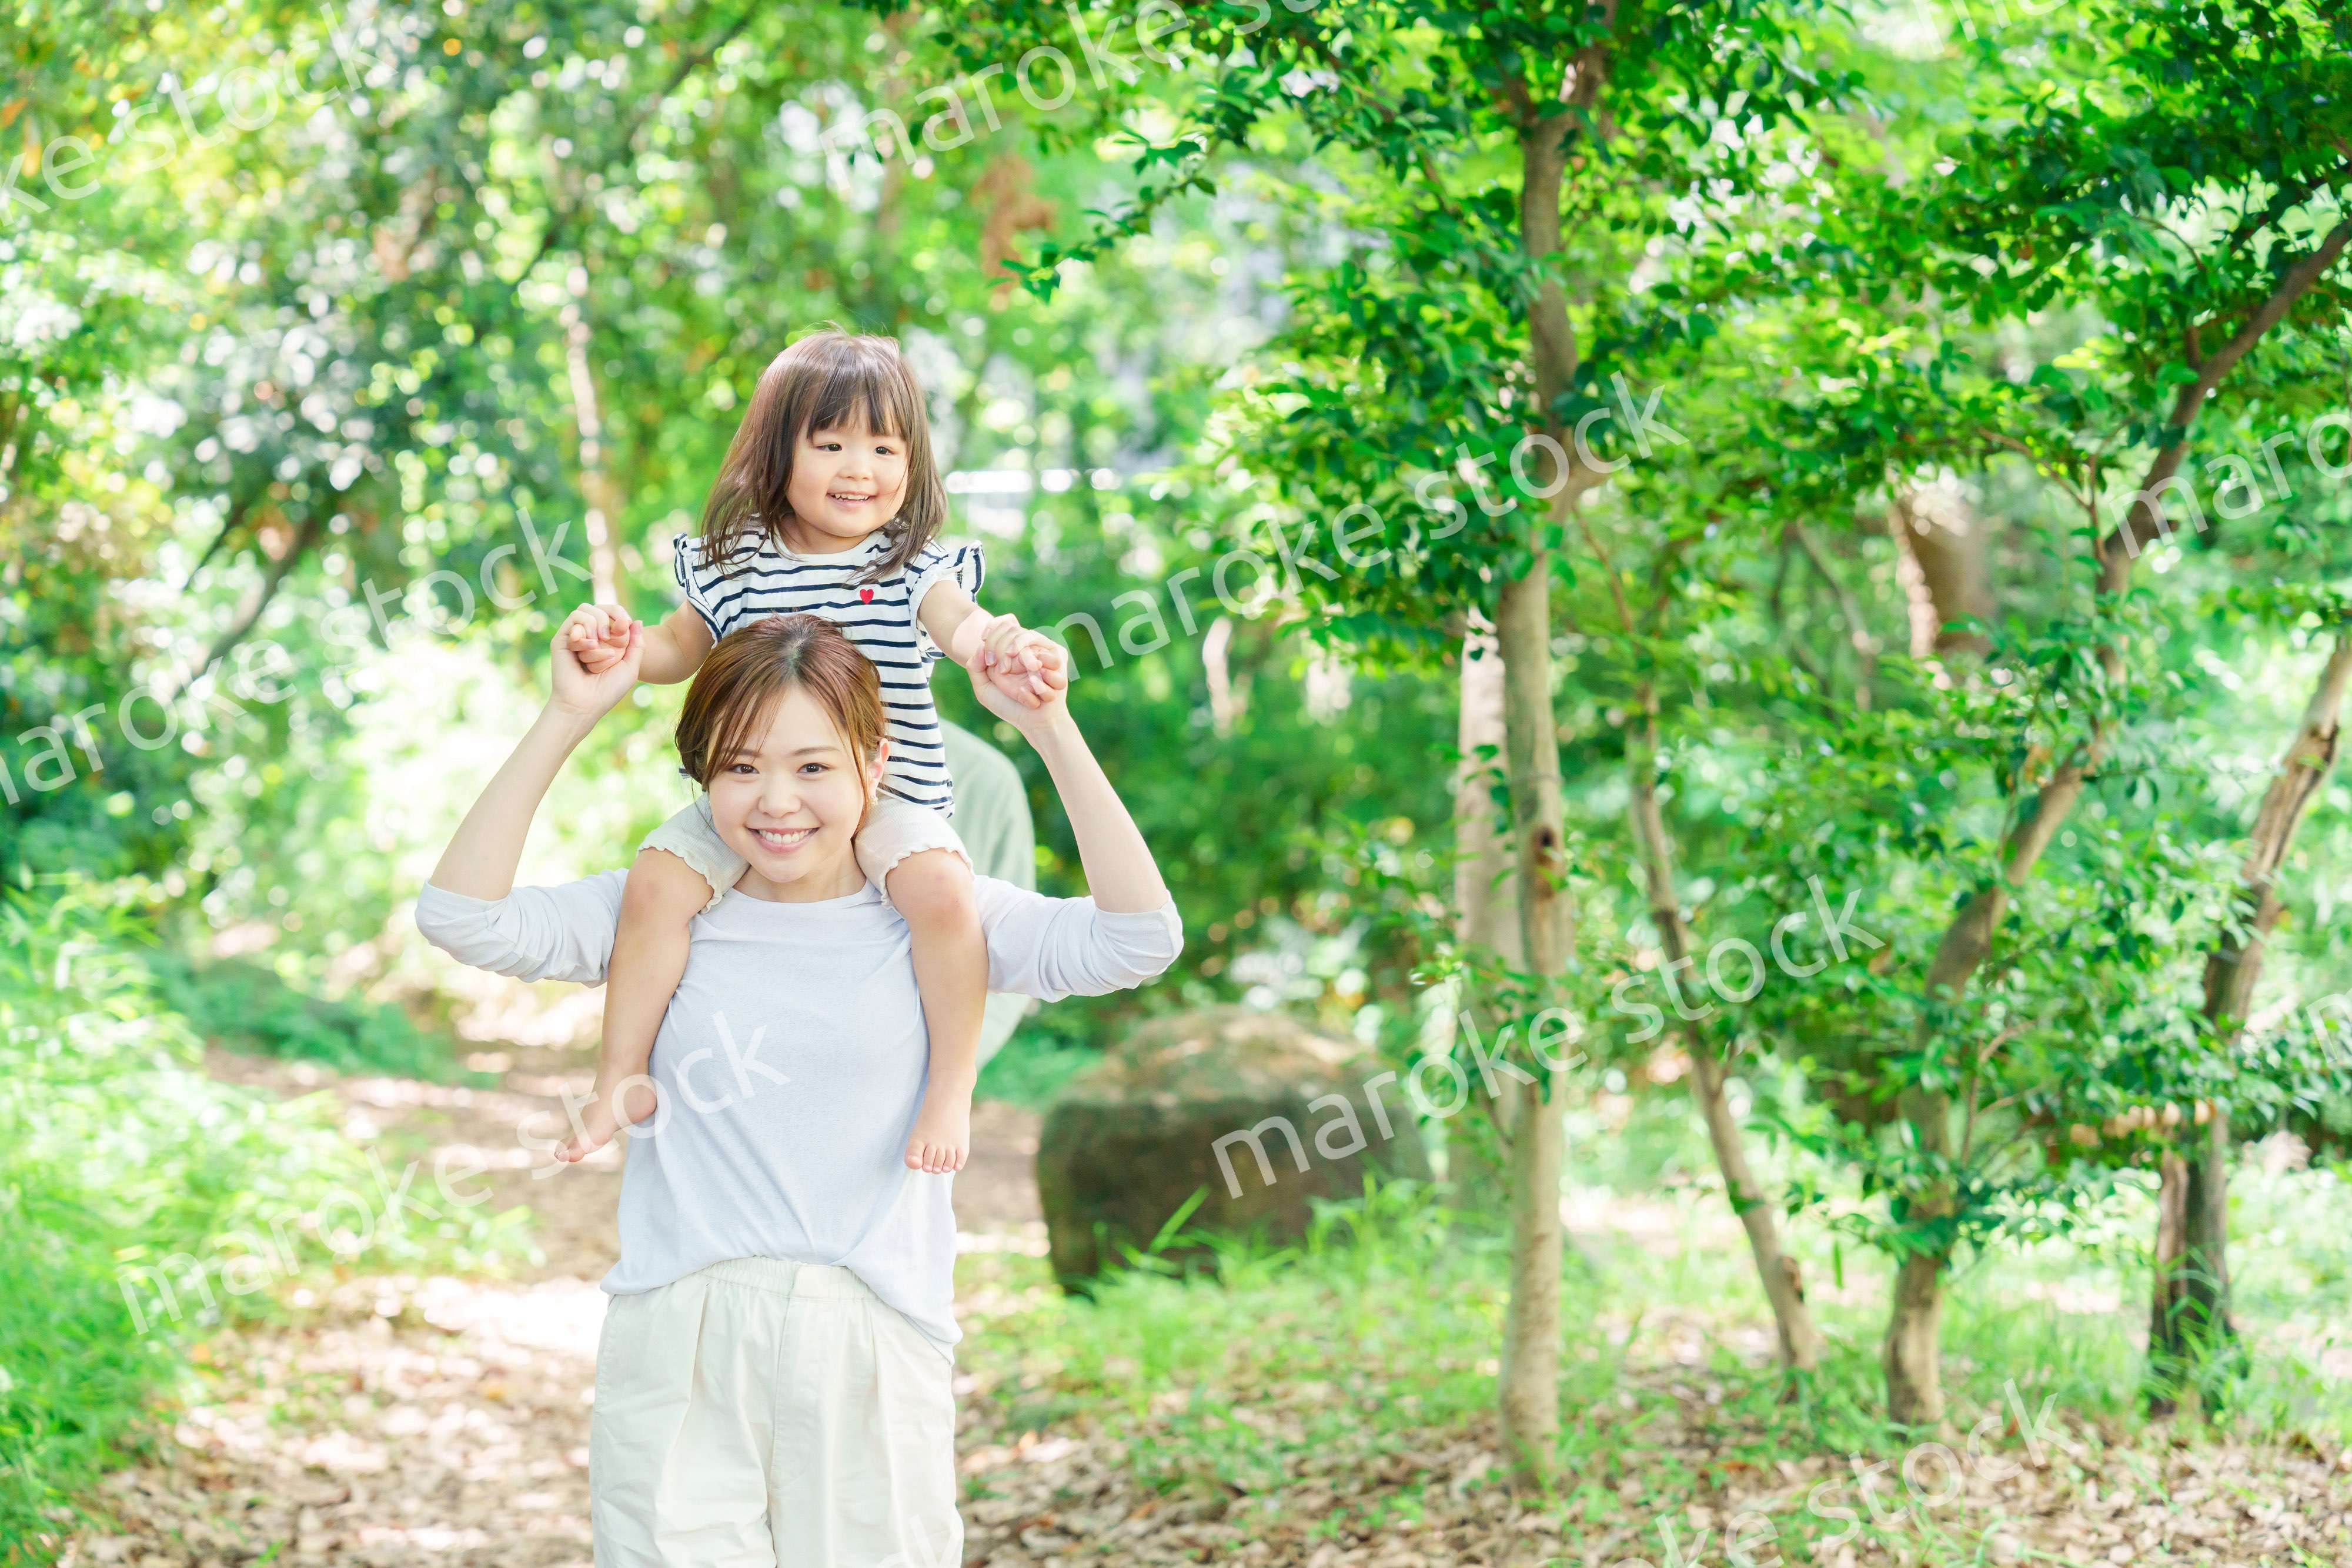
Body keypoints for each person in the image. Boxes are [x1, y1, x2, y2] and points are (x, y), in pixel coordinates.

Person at [416, 612, 1178, 1566]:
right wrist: (570, 713)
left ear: (875, 760)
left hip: (874, 1337)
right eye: (740, 768)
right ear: (702, 778)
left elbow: (1140, 940)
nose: (777, 802)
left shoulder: (938, 913)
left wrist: (1051, 728)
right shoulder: (663, 905)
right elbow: (460, 918)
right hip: (681, 1334)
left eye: (814, 767)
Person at [553, 326, 1069, 1177]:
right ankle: (620, 1076)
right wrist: (621, 648)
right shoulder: (735, 564)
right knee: (654, 883)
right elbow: (681, 645)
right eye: (829, 445)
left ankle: (950, 1086)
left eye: (882, 445)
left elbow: (959, 624)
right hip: (756, 793)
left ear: (913, 460)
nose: (858, 467)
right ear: (777, 455)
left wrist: (997, 645)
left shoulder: (909, 566)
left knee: (945, 896)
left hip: (891, 796)